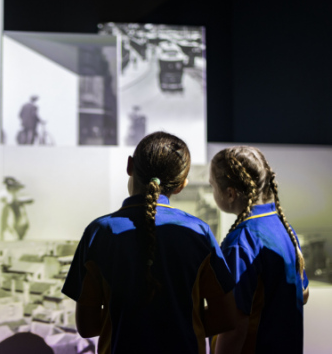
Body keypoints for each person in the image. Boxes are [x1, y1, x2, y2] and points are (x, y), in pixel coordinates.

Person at [62, 131, 237, 354]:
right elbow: (226, 317)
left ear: (130, 166)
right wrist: (177, 322)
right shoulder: (198, 233)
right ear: (181, 185)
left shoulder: (99, 233)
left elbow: (86, 327)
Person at [209, 146, 309, 354]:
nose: (212, 193)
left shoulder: (241, 241)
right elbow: (304, 292)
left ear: (230, 193)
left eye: (212, 186)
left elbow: (234, 326)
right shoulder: (283, 226)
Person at [0, 176, 33, 241]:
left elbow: (30, 200)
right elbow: (5, 199)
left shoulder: (19, 194)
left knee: (21, 228)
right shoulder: (4, 193)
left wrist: (18, 200)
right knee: (10, 231)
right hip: (9, 213)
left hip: (19, 215)